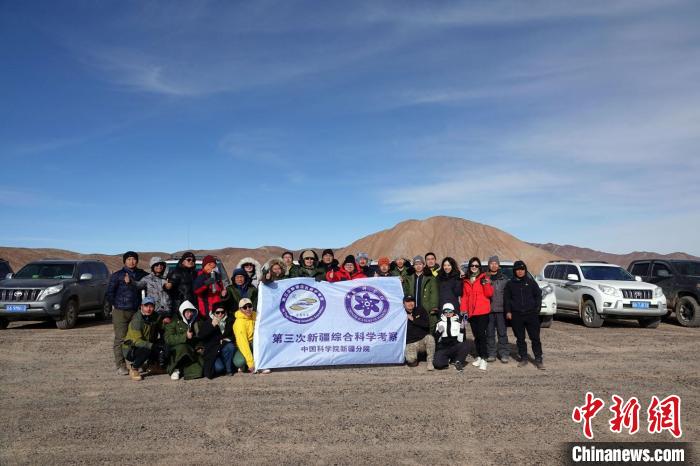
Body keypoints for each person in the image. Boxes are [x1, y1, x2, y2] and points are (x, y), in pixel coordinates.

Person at [107, 251, 148, 376]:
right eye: (129, 259)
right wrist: (117, 304)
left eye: (134, 259)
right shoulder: (117, 275)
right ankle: (120, 365)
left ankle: (137, 363)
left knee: (138, 337)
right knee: (121, 338)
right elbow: (110, 293)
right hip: (121, 311)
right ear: (124, 261)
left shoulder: (141, 274)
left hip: (136, 311)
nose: (132, 261)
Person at [504, 260, 544, 370]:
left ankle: (538, 359)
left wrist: (537, 308)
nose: (520, 271)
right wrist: (508, 311)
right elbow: (507, 299)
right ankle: (524, 358)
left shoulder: (531, 282)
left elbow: (538, 295)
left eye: (522, 269)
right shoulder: (510, 284)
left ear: (525, 270)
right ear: (514, 271)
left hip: (531, 315)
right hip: (517, 315)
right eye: (517, 269)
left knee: (535, 338)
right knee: (520, 339)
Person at [121, 296, 165, 381]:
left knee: (162, 344)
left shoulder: (156, 316)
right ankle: (134, 368)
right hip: (131, 348)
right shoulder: (137, 320)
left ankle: (152, 366)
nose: (148, 309)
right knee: (147, 349)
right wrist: (152, 346)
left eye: (151, 306)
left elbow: (162, 329)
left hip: (147, 343)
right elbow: (137, 341)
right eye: (146, 306)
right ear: (141, 306)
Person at [460, 257, 493, 371]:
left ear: (479, 267)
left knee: (481, 335)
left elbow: (489, 294)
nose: (474, 267)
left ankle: (484, 358)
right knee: (476, 336)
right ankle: (479, 356)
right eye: (472, 265)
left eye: (476, 266)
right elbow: (465, 296)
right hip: (471, 312)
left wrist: (486, 283)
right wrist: (463, 309)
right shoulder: (466, 280)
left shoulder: (483, 277)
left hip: (482, 311)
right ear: (469, 267)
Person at [163, 300, 204, 380]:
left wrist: (200, 346)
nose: (190, 314)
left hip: (191, 350)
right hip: (176, 351)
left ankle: (183, 369)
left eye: (191, 312)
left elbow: (200, 337)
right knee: (183, 348)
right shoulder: (173, 322)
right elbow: (168, 339)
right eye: (187, 312)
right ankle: (175, 368)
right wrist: (185, 336)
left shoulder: (196, 322)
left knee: (199, 371)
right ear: (182, 312)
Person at [197, 303, 235, 378]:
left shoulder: (229, 321)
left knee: (230, 346)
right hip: (212, 351)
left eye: (222, 312)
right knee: (219, 368)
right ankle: (223, 366)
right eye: (217, 312)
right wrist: (212, 326)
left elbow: (233, 335)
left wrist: (227, 339)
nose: (220, 314)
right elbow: (201, 335)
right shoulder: (208, 322)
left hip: (223, 347)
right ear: (214, 313)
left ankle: (229, 370)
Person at [403, 256, 439, 334]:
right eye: (416, 264)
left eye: (420, 264)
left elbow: (434, 293)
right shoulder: (409, 278)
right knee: (414, 327)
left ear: (423, 265)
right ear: (413, 266)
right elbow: (405, 292)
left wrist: (433, 307)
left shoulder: (430, 278)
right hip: (412, 308)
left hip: (425, 307)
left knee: (427, 327)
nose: (418, 266)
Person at [233, 298, 270, 374]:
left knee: (264, 341)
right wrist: (251, 363)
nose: (248, 309)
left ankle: (262, 364)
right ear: (240, 309)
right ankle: (248, 365)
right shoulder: (239, 323)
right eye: (244, 307)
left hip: (255, 342)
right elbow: (243, 344)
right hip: (245, 344)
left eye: (249, 306)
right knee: (239, 362)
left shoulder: (256, 315)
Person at [485, 256, 510, 363]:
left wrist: (508, 310)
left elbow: (507, 296)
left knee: (502, 333)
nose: (494, 265)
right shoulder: (485, 278)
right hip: (488, 310)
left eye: (496, 263)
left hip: (501, 310)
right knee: (490, 333)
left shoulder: (504, 279)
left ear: (498, 265)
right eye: (492, 263)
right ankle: (491, 353)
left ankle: (504, 353)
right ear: (489, 265)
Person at [433, 303, 468, 371]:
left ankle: (457, 361)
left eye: (450, 311)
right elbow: (435, 340)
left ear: (453, 312)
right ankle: (446, 359)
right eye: (446, 312)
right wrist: (438, 333)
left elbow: (462, 340)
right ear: (443, 312)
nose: (448, 313)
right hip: (443, 347)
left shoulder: (458, 322)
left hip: (455, 346)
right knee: (437, 364)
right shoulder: (439, 323)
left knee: (466, 345)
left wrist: (462, 330)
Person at [403, 295, 435, 370]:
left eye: (412, 301)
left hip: (422, 341)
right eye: (407, 301)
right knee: (411, 362)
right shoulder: (401, 313)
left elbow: (426, 324)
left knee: (430, 338)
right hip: (410, 343)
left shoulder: (420, 310)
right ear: (404, 304)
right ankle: (419, 356)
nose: (410, 303)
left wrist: (413, 319)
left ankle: (430, 361)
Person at [165, 251, 197, 316]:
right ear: (182, 261)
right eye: (188, 260)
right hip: (181, 305)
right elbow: (170, 286)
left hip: (193, 305)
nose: (191, 261)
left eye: (193, 260)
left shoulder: (195, 274)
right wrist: (168, 287)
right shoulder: (176, 273)